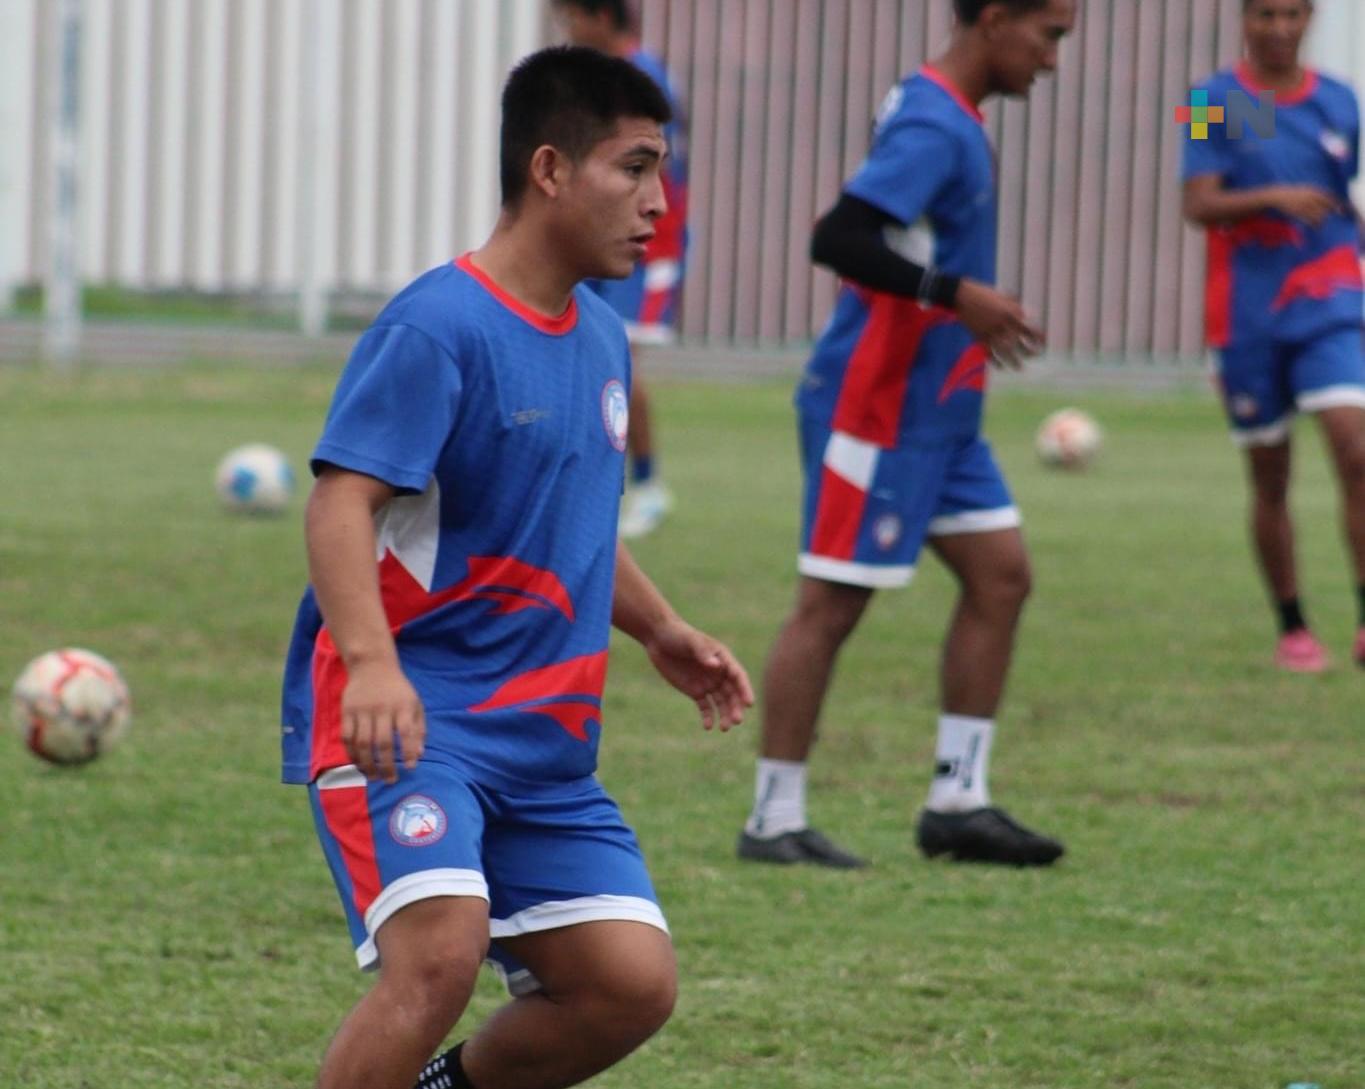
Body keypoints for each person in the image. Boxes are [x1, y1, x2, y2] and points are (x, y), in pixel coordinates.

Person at [280, 46, 752, 1089]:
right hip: (414, 719)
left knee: (628, 985)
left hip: (543, 739)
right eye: (633, 169)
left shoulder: (599, 338)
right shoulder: (439, 326)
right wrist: (369, 663)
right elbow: (339, 504)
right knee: (438, 959)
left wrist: (662, 628)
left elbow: (571, 524)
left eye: (660, 172)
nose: (657, 203)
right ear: (549, 170)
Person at [736, 0, 1075, 870]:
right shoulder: (933, 123)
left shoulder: (943, 111)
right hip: (876, 408)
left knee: (1001, 577)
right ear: (995, 19)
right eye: (1049, 35)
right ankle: (775, 817)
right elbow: (837, 235)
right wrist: (957, 292)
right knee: (833, 602)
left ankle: (957, 800)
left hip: (942, 415)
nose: (1051, 58)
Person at [1182, 0, 1365, 673]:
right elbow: (1196, 203)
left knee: (1354, 444)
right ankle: (1292, 624)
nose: (1278, 28)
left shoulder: (1340, 102)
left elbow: (1338, 200)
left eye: (1291, 15)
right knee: (1269, 476)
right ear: (1243, 18)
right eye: (1264, 15)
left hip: (1329, 300)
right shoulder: (1212, 100)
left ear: (1309, 18)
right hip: (1247, 314)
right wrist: (1271, 199)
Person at [552, 0, 688, 539]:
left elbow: (656, 171)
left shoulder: (641, 78)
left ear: (602, 17)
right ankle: (589, 481)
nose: (567, 30)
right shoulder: (601, 77)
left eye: (572, 19)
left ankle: (649, 486)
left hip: (647, 245)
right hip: (601, 236)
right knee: (582, 353)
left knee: (621, 362)